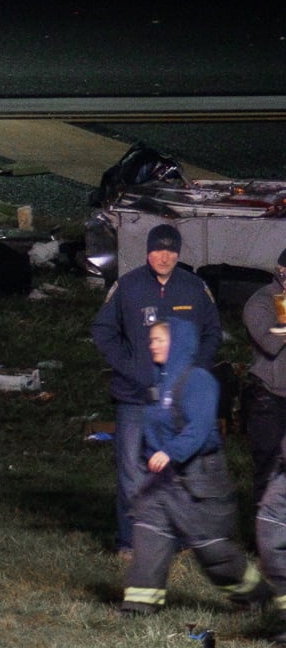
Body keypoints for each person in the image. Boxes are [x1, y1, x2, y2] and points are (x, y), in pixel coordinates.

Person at [121, 317, 266, 614]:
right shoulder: (157, 383)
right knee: (149, 532)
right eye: (151, 340)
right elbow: (152, 427)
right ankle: (138, 607)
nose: (154, 346)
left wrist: (170, 452)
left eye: (160, 340)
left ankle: (257, 598)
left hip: (199, 477)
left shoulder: (197, 380)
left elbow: (198, 429)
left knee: (212, 549)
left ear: (178, 344)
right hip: (164, 479)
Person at [93, 223, 222, 548]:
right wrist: (130, 366)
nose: (163, 257)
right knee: (131, 471)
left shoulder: (195, 288)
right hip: (135, 397)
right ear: (147, 251)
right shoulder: (128, 286)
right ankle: (130, 540)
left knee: (177, 469)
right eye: (157, 250)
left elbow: (212, 333)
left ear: (178, 253)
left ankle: (175, 539)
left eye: (170, 250)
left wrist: (193, 373)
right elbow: (103, 331)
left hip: (179, 400)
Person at [245, 269, 286, 508]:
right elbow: (270, 341)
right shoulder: (260, 302)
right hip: (270, 398)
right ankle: (262, 536)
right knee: (269, 467)